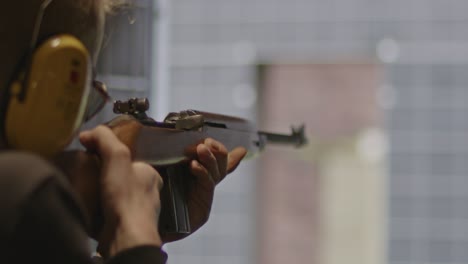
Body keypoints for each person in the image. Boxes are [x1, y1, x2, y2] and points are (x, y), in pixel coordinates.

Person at [0, 0, 247, 263]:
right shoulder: (22, 190)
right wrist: (136, 232)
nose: (84, 117)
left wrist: (123, 240)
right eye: (79, 92)